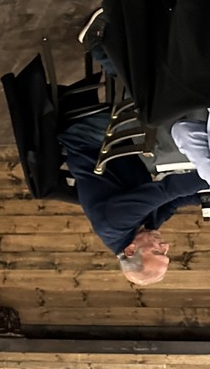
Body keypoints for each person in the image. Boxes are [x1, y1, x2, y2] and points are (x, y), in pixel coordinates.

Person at [58, 112, 205, 285]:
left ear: (130, 250)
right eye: (165, 253)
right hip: (119, 145)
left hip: (92, 139)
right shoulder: (144, 230)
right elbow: (173, 203)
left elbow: (167, 190)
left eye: (157, 252)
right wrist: (204, 198)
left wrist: (207, 177)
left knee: (170, 116)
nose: (166, 246)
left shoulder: (114, 225)